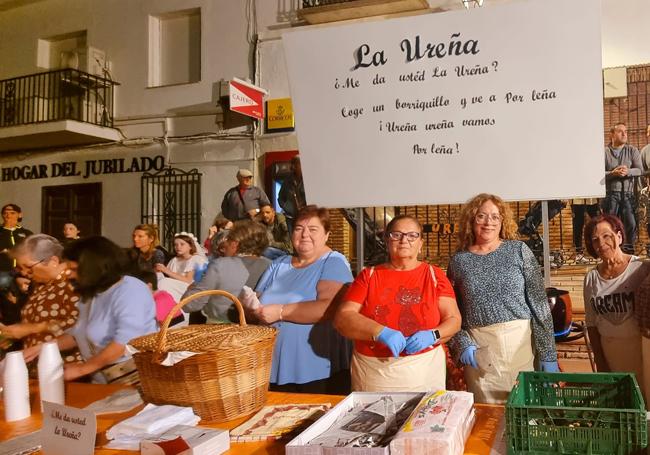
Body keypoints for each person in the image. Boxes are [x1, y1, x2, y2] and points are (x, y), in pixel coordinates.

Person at [447, 193, 559, 404]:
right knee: (488, 423)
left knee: (526, 413)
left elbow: (539, 305)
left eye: (495, 217)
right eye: (481, 216)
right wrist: (462, 344)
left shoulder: (519, 250)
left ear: (502, 222)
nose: (489, 222)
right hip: (481, 353)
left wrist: (548, 353)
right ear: (471, 220)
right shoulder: (458, 262)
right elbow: (452, 313)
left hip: (521, 346)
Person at [335, 214, 461, 392]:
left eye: (412, 235)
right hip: (374, 373)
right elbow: (343, 318)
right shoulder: (369, 276)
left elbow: (454, 319)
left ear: (420, 243)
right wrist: (380, 332)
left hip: (424, 370)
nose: (404, 240)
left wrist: (433, 335)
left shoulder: (434, 276)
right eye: (397, 234)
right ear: (387, 240)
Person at [23, 236, 157, 384]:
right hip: (103, 381)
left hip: (137, 381)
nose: (70, 275)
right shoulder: (90, 295)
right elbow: (77, 334)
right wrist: (39, 349)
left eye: (74, 269)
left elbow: (126, 341)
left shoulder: (131, 290)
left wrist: (82, 369)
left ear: (94, 267)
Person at [254, 205, 353, 394]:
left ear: (326, 234)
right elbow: (256, 298)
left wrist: (280, 312)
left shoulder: (333, 262)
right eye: (299, 228)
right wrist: (252, 307)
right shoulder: (279, 264)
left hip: (316, 370)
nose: (305, 234)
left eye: (313, 229)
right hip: (272, 366)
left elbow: (329, 308)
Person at [583, 214, 649, 395]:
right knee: (621, 401)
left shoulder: (641, 269)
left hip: (641, 352)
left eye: (607, 235)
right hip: (611, 353)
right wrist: (600, 361)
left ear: (619, 237)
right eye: (595, 239)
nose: (601, 243)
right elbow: (591, 323)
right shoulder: (591, 278)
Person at [0, 234, 81, 364]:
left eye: (29, 267)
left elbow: (80, 325)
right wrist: (13, 334)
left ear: (53, 261)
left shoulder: (73, 283)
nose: (25, 273)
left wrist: (33, 328)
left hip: (66, 366)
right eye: (21, 268)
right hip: (38, 365)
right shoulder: (41, 285)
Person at [182, 221, 271, 323]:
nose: (225, 245)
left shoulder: (220, 265)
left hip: (222, 333)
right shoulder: (272, 266)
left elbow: (190, 304)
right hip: (262, 334)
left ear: (234, 244)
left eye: (228, 240)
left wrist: (192, 288)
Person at [603, 123, 642, 254]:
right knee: (610, 225)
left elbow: (639, 170)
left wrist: (628, 171)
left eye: (626, 131)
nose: (624, 134)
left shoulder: (632, 150)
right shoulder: (604, 152)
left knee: (630, 224)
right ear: (612, 135)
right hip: (610, 195)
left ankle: (629, 252)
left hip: (628, 194)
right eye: (620, 131)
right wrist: (612, 173)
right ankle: (612, 251)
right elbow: (598, 174)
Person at [155, 232, 208, 303]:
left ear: (190, 246)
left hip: (189, 288)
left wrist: (166, 270)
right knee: (157, 277)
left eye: (182, 244)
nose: (178, 247)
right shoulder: (175, 260)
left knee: (164, 282)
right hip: (175, 285)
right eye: (175, 245)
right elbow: (168, 276)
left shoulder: (195, 259)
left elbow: (188, 281)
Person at [0, 203, 33, 273]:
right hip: (3, 269)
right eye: (5, 213)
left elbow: (33, 250)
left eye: (12, 213)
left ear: (19, 215)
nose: (8, 216)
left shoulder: (27, 233)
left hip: (23, 270)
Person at [278, 155, 306, 232]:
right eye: (293, 163)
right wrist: (286, 207)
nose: (293, 166)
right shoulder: (287, 180)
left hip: (306, 217)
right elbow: (280, 197)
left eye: (296, 164)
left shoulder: (309, 180)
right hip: (290, 218)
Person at [571, 199, 600, 264]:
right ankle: (579, 253)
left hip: (592, 199)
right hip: (577, 199)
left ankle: (598, 251)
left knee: (597, 225)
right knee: (578, 226)